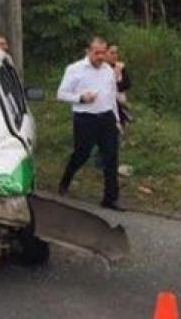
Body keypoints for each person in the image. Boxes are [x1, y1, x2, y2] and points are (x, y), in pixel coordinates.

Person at [56, 37, 124, 211]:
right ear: (88, 51)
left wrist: (116, 120)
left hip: (106, 118)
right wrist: (80, 98)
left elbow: (112, 96)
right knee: (82, 153)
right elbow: (61, 94)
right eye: (97, 53)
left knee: (111, 157)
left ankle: (110, 198)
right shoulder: (74, 69)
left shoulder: (108, 70)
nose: (100, 57)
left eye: (103, 52)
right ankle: (66, 179)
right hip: (85, 118)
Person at [106, 43, 132, 130]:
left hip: (120, 100)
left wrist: (116, 85)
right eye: (112, 53)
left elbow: (127, 83)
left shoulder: (120, 66)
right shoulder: (100, 68)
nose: (115, 56)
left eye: (116, 53)